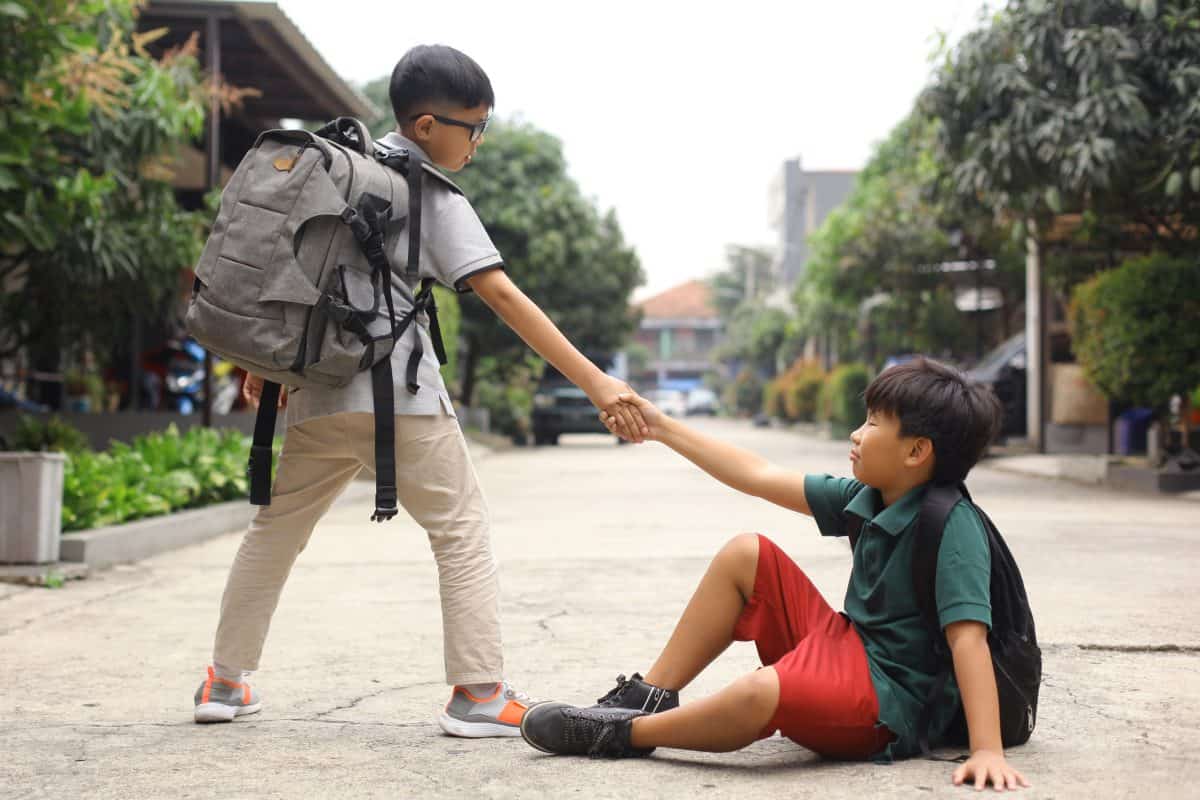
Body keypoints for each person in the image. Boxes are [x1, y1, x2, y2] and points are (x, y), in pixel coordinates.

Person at [192, 44, 647, 738]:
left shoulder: (331, 174)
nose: (478, 141)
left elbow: (286, 282)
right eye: (474, 127)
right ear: (428, 125)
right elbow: (500, 293)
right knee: (460, 531)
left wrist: (267, 365)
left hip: (316, 399)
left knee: (274, 533)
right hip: (399, 402)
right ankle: (480, 694)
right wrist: (596, 380)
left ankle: (224, 681)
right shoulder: (424, 191)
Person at [520, 358, 1031, 791]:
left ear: (916, 452)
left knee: (759, 692)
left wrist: (987, 749)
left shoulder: (952, 525)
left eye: (874, 423)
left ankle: (626, 734)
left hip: (889, 703)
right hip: (849, 650)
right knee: (748, 553)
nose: (856, 433)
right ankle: (649, 694)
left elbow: (968, 641)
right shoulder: (869, 496)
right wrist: (660, 426)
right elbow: (758, 475)